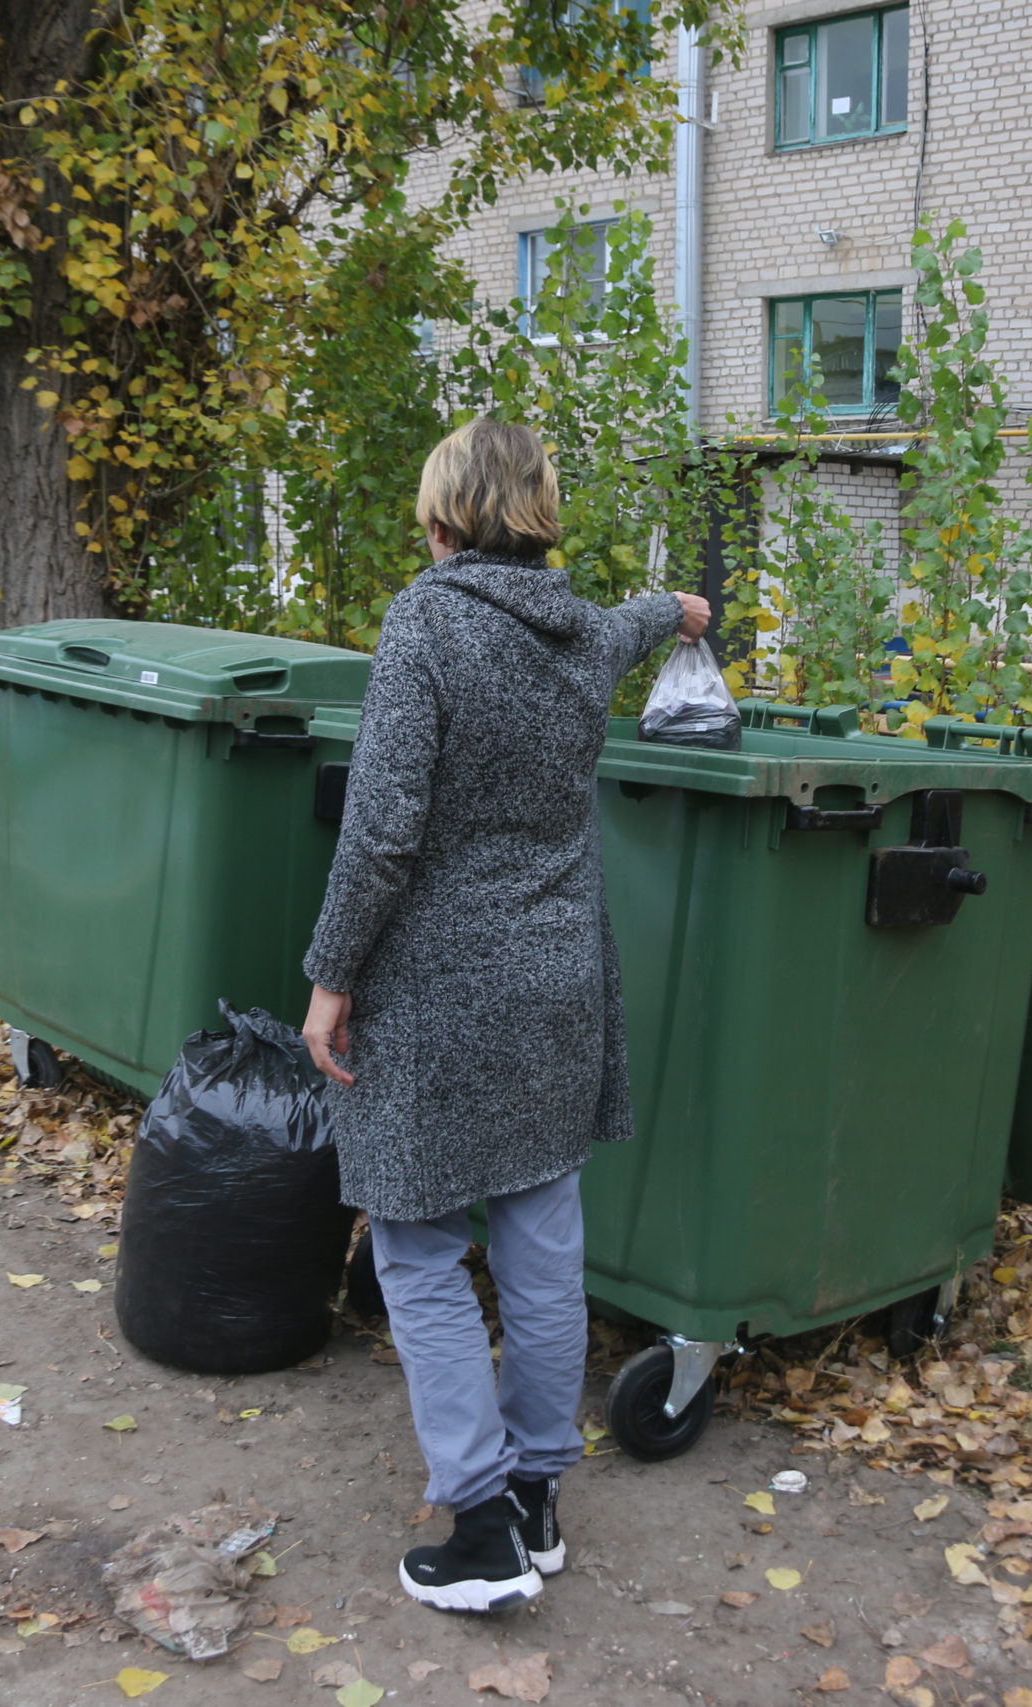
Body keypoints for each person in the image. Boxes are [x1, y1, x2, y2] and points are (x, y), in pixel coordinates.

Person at [300, 417, 710, 1613]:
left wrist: (331, 979)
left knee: (420, 1246)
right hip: (560, 981)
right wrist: (678, 608)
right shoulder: (582, 631)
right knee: (541, 1246)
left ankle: (476, 1523)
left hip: (435, 993)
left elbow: (380, 832)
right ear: (538, 517)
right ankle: (535, 1496)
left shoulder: (426, 621)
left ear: (437, 526)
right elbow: (635, 623)